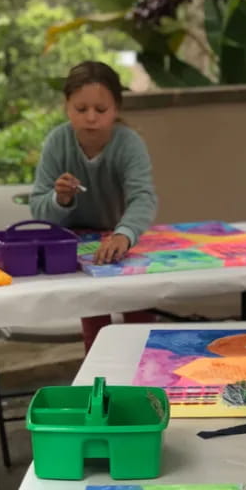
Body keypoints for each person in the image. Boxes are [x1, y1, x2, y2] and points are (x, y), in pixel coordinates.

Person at [30, 60, 158, 351]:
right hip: (79, 251)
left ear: (117, 109)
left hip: (125, 242)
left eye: (101, 110)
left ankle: (140, 388)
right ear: (67, 107)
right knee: (96, 336)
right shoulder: (56, 143)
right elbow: (38, 208)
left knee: (140, 329)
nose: (91, 118)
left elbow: (143, 197)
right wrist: (60, 199)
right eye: (81, 109)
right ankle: (99, 389)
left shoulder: (129, 144)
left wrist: (124, 234)